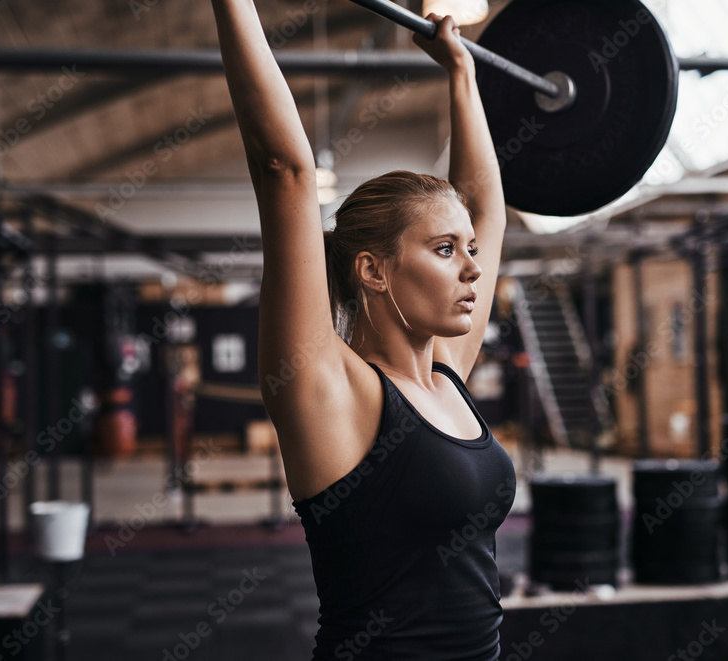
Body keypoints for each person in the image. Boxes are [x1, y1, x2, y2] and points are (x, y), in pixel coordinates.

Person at [210, 1, 515, 658]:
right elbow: (283, 170)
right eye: (443, 250)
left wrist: (462, 73)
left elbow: (488, 208)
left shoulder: (447, 377)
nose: (472, 267)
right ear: (372, 270)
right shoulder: (331, 391)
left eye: (470, 249)